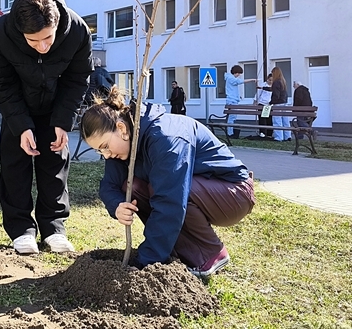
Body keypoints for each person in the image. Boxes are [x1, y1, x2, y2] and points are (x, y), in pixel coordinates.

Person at [81, 87, 255, 278]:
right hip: (198, 192)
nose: (106, 155)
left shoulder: (166, 137)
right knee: (135, 187)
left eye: (105, 146)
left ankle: (210, 254)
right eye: (100, 151)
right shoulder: (123, 145)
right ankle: (181, 253)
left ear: (121, 129)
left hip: (234, 194)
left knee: (171, 192)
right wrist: (116, 206)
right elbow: (109, 186)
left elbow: (170, 202)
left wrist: (145, 262)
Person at [0, 0, 92, 255]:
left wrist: (63, 121)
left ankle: (54, 229)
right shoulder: (0, 35)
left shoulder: (78, 31)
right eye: (33, 41)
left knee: (55, 164)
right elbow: (2, 84)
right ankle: (21, 230)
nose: (42, 47)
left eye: (48, 38)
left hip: (56, 106)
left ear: (57, 23)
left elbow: (78, 79)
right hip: (18, 106)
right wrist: (21, 126)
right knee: (15, 166)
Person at [224, 65, 257, 137]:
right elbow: (240, 81)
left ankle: (230, 132)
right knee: (232, 118)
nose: (238, 75)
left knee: (232, 117)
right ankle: (230, 133)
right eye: (238, 73)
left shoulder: (230, 78)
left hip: (232, 100)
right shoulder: (231, 78)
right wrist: (252, 80)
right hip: (232, 101)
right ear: (235, 72)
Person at [270, 67, 291, 141]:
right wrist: (263, 88)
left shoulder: (276, 82)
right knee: (285, 120)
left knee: (277, 120)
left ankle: (279, 137)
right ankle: (287, 136)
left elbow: (276, 95)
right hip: (284, 103)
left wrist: (271, 102)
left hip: (278, 103)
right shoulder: (283, 81)